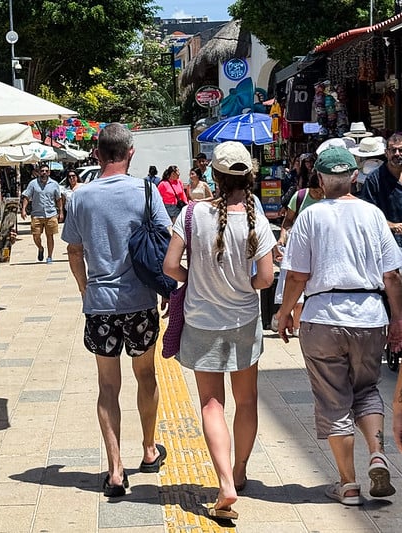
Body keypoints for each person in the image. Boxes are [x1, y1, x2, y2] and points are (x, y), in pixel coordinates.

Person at [277, 146, 402, 506]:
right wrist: (397, 318)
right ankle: (377, 454)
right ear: (354, 177)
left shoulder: (310, 217)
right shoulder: (373, 215)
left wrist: (284, 313)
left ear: (319, 178)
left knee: (334, 401)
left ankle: (348, 484)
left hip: (322, 318)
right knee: (367, 390)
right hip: (369, 316)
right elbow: (392, 275)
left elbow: (297, 276)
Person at [163, 141, 276, 520]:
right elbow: (266, 278)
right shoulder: (256, 217)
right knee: (247, 401)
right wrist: (246, 285)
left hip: (201, 321)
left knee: (212, 404)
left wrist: (194, 277)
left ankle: (225, 483)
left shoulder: (191, 213)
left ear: (214, 175)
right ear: (249, 177)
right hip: (244, 321)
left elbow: (169, 266)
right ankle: (240, 471)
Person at [62, 123, 169, 498]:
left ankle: (115, 470)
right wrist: (165, 286)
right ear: (130, 152)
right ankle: (149, 450)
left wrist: (85, 288)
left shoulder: (80, 196)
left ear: (97, 154)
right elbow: (166, 242)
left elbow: (74, 250)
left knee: (108, 386)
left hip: (100, 305)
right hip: (140, 301)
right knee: (146, 375)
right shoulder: (147, 191)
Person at [270, 170, 324, 336]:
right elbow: (287, 221)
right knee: (296, 289)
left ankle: (293, 322)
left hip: (319, 250)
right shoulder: (300, 197)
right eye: (315, 192)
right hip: (298, 248)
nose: (318, 195)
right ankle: (291, 322)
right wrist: (282, 238)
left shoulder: (328, 198)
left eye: (320, 192)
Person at [360, 133, 402, 247]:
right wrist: (391, 225)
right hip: (389, 244)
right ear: (386, 153)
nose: (397, 154)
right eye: (393, 150)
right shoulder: (374, 180)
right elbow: (367, 214)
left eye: (401, 150)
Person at [21, 163, 63, 264]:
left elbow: (59, 199)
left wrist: (61, 212)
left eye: (46, 171)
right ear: (39, 172)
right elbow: (27, 196)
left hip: (51, 214)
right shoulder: (33, 184)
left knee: (50, 236)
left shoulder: (54, 184)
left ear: (49, 172)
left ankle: (49, 257)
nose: (44, 173)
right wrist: (23, 209)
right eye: (42, 171)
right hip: (37, 214)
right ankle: (40, 248)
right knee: (36, 235)